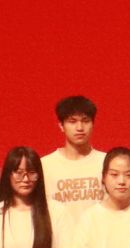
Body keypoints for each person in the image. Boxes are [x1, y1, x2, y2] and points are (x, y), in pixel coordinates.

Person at [40, 94, 106, 236]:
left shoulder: (106, 162)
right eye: (72, 121)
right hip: (60, 243)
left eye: (85, 121)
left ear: (93, 124)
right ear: (61, 125)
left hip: (99, 241)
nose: (80, 127)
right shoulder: (45, 165)